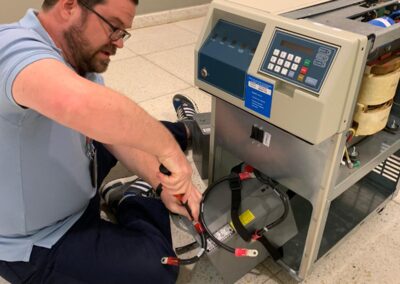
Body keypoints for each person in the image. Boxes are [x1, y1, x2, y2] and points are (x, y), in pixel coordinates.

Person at [0, 0, 203, 283]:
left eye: (123, 32)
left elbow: (112, 131)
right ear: (69, 6)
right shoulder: (10, 46)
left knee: (129, 128)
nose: (119, 43)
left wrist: (161, 180)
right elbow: (77, 103)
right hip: (41, 240)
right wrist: (171, 154)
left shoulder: (77, 53)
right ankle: (132, 198)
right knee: (158, 267)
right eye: (113, 27)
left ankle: (187, 129)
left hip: (78, 169)